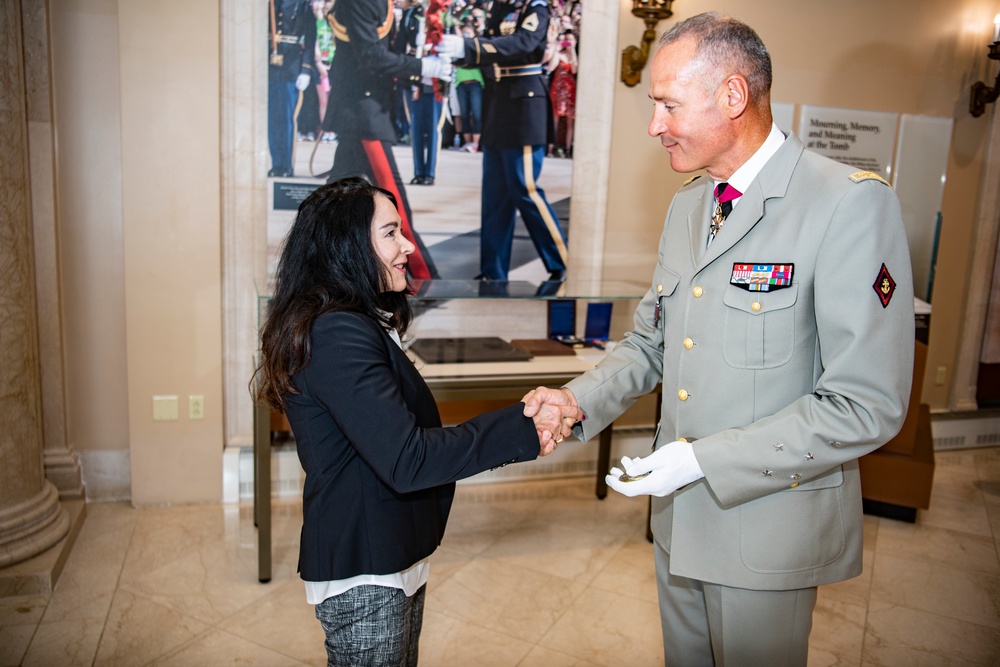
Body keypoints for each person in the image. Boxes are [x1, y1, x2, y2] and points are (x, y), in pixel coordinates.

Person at [524, 12, 915, 665]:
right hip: (679, 520)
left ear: (732, 97)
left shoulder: (846, 204)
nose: (654, 125)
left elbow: (865, 404)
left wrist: (705, 459)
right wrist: (577, 400)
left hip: (767, 529)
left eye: (667, 104)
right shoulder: (689, 207)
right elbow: (651, 342)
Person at [254, 177, 580, 666]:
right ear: (348, 247)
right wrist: (524, 426)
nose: (408, 246)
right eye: (390, 233)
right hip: (367, 567)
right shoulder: (337, 331)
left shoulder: (350, 321)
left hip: (391, 550)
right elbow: (408, 458)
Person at [437, 0, 568, 282]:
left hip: (524, 104)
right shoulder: (501, 6)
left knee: (525, 187)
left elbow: (523, 42)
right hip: (499, 103)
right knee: (495, 194)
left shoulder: (536, 7)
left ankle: (562, 261)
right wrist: (458, 54)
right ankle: (493, 271)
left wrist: (468, 47)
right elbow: (492, 44)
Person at [320, 0, 452, 279]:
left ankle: (318, 270)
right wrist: (422, 66)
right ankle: (420, 276)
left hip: (366, 111)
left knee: (331, 206)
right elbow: (370, 55)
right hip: (364, 114)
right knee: (394, 204)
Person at [395, 1, 444, 185]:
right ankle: (418, 171)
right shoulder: (410, 14)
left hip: (435, 76)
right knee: (415, 126)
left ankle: (429, 172)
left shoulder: (441, 13)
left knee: (432, 127)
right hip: (413, 74)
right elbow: (401, 45)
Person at [268, 0, 317, 177]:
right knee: (273, 119)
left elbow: (310, 39)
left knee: (288, 117)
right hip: (271, 66)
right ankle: (276, 163)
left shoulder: (302, 5)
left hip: (291, 66)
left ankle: (287, 165)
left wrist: (305, 69)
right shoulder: (270, 4)